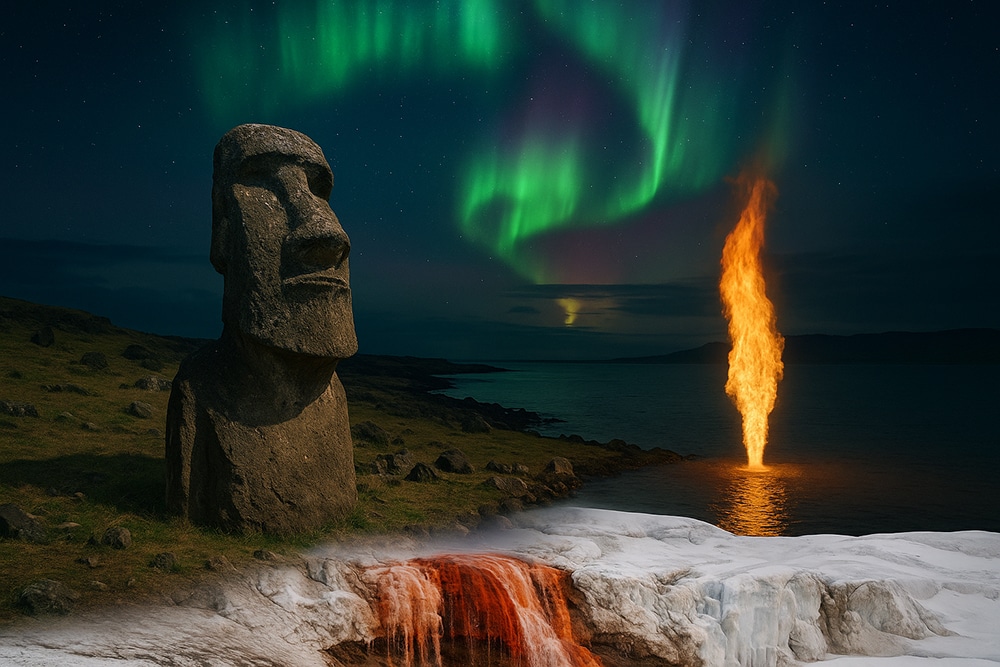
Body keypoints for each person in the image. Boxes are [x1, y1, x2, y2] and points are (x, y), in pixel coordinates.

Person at [166, 124, 358, 534]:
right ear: (222, 229)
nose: (327, 232)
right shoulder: (200, 393)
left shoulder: (334, 395)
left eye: (319, 190)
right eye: (262, 183)